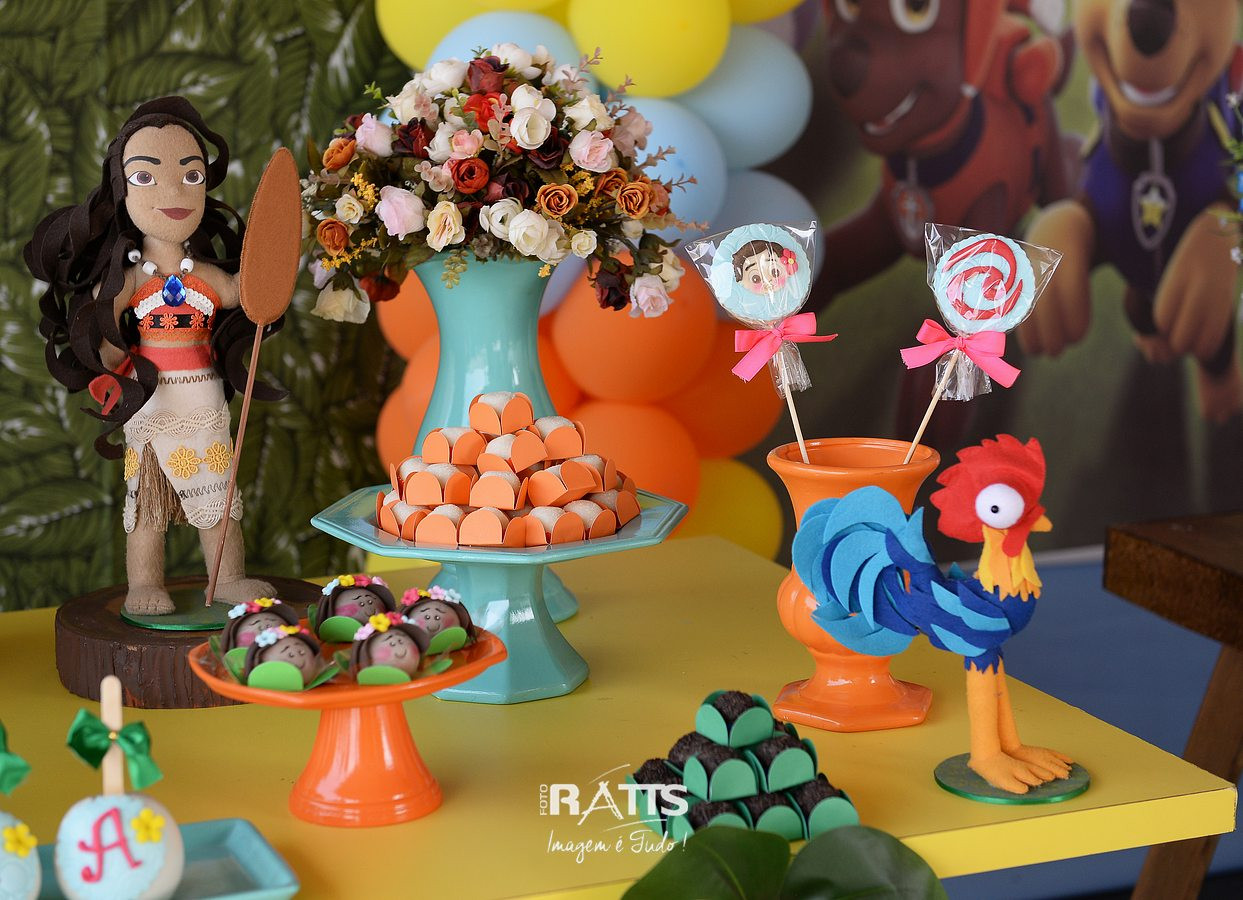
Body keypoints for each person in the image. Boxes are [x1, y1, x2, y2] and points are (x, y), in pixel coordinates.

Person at [24, 96, 282, 615]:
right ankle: (144, 583)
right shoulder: (128, 279)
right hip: (150, 401)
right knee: (147, 501)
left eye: (191, 175)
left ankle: (227, 577)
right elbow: (101, 326)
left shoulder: (204, 275)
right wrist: (106, 362)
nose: (173, 192)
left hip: (204, 396)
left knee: (218, 494)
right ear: (123, 190)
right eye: (146, 177)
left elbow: (243, 293)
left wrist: (274, 258)